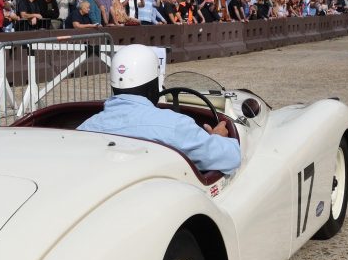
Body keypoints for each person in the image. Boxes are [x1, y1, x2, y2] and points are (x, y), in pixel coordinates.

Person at [77, 44, 240, 174]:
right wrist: (217, 137)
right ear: (153, 87)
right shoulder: (174, 125)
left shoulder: (86, 127)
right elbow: (232, 157)